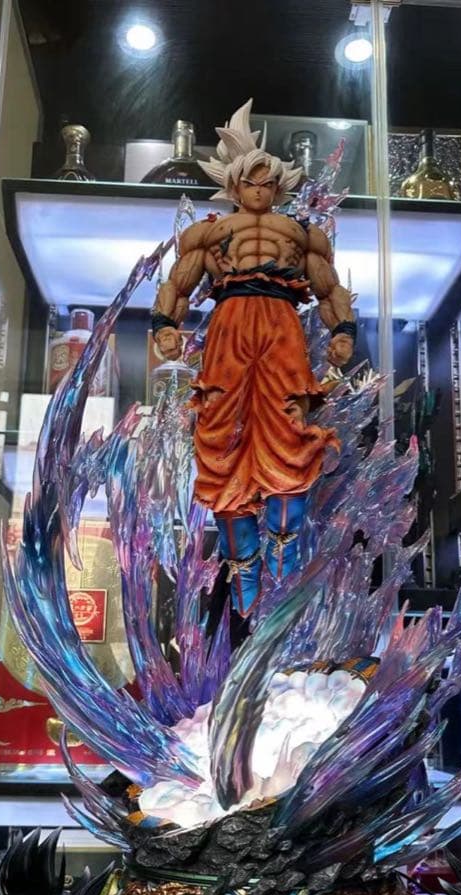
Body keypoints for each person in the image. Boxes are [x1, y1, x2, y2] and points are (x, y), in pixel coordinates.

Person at [151, 99, 356, 619]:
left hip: (282, 327)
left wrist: (344, 330)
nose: (260, 191)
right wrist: (165, 325)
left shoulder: (300, 233)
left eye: (268, 183)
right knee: (220, 436)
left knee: (289, 432)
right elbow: (178, 283)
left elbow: (329, 287)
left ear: (279, 187)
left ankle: (283, 569)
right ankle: (242, 575)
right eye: (251, 183)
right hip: (230, 326)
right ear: (235, 185)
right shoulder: (211, 231)